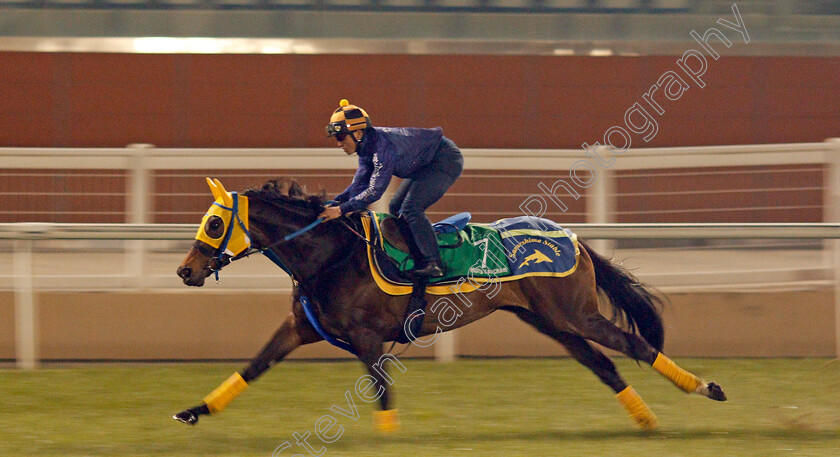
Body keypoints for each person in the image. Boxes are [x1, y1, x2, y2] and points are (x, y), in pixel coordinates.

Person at [319, 99, 464, 279]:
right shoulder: (367, 146)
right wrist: (337, 202)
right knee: (395, 207)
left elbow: (374, 192)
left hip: (444, 159)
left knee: (411, 208)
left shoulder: (382, 149)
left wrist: (340, 210)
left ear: (357, 133)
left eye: (341, 137)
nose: (339, 144)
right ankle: (417, 255)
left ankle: (433, 263)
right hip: (427, 163)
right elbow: (359, 185)